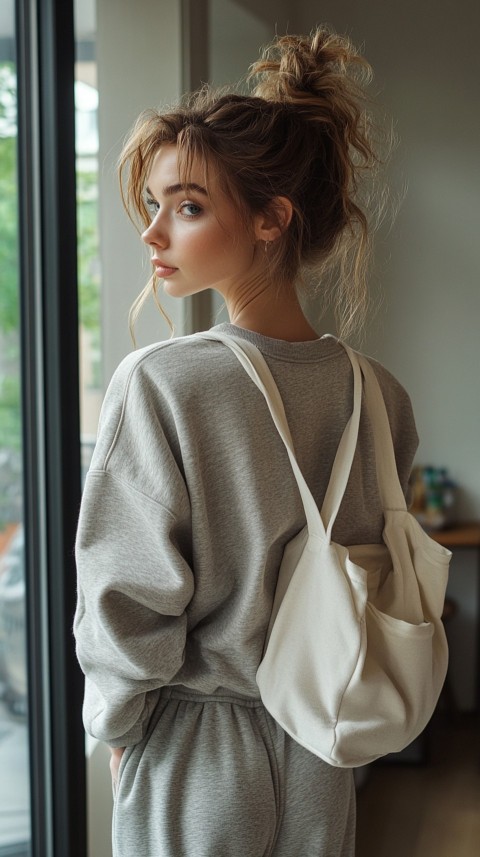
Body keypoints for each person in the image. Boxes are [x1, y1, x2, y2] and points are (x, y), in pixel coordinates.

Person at [74, 26, 418, 857]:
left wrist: (120, 733)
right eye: (155, 203)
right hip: (323, 751)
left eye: (187, 206)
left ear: (273, 219)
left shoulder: (161, 382)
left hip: (196, 753)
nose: (154, 232)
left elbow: (129, 601)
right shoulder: (380, 395)